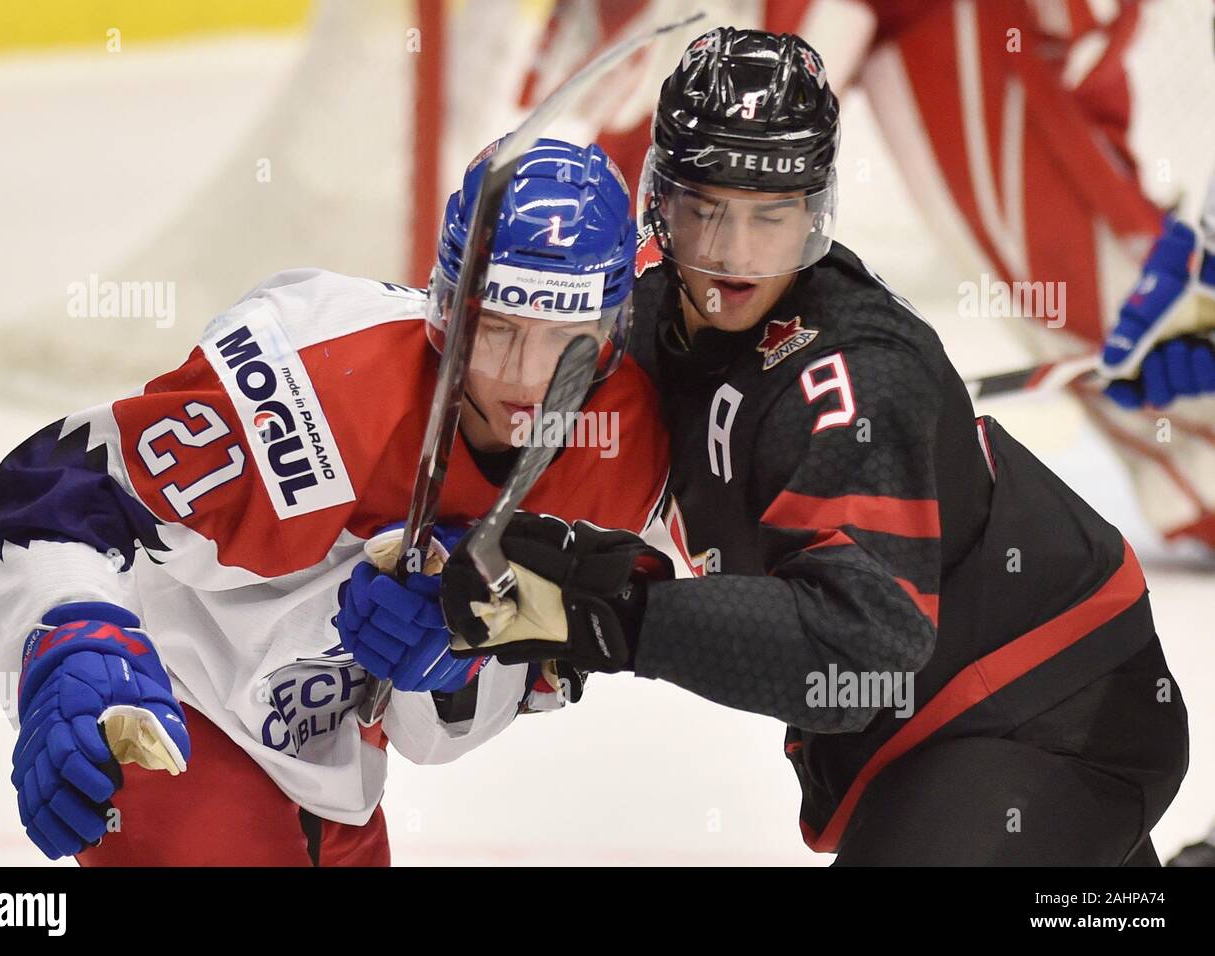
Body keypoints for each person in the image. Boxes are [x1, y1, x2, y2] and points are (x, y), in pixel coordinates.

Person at [438, 29, 1189, 866]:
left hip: (1051, 700)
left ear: (814, 211)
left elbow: (863, 649)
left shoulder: (855, 378)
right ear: (662, 203)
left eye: (773, 215)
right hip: (935, 733)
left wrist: (612, 617)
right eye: (706, 208)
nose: (733, 251)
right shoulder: (647, 307)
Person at [0, 138, 670, 865]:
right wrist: (74, 637)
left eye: (566, 342)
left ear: (612, 334)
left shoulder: (624, 453)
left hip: (331, 770)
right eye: (496, 330)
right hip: (179, 713)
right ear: (446, 311)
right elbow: (51, 494)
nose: (525, 381)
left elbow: (431, 735)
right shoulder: (316, 385)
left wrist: (464, 652)